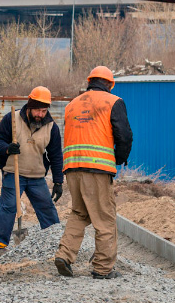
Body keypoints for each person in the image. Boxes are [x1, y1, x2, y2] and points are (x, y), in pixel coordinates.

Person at [53, 66, 133, 279]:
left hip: (72, 168)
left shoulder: (71, 105)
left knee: (80, 213)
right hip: (97, 169)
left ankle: (64, 255)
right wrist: (119, 158)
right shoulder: (113, 102)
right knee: (104, 219)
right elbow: (124, 135)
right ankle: (103, 268)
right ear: (110, 84)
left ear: (90, 81)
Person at [0, 86, 64, 258]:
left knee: (47, 207)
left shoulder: (52, 127)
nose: (40, 114)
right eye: (37, 110)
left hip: (37, 176)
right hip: (13, 172)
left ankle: (57, 243)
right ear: (29, 107)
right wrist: (7, 148)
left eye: (44, 111)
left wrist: (58, 181)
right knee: (8, 207)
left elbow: (56, 156)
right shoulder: (12, 119)